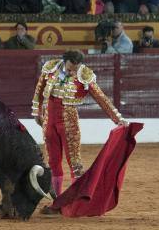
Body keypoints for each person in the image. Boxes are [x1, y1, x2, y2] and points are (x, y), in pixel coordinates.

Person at [32, 49, 127, 201]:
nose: (72, 72)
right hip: (49, 120)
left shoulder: (85, 75)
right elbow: (39, 89)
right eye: (70, 68)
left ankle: (74, 200)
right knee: (53, 161)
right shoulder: (51, 67)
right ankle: (58, 200)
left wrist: (117, 118)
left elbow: (101, 98)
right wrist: (37, 111)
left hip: (69, 121)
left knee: (75, 163)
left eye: (75, 69)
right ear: (64, 61)